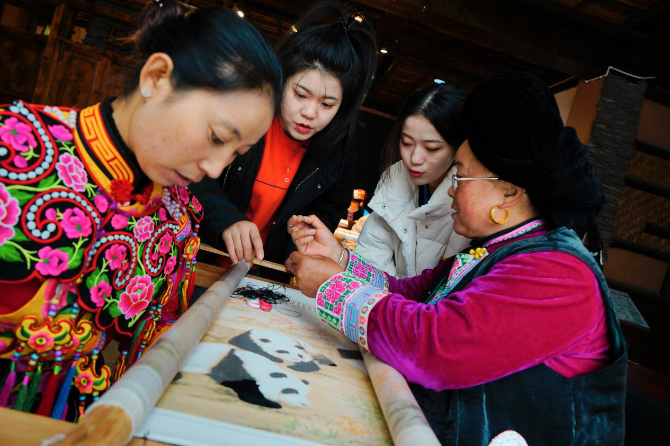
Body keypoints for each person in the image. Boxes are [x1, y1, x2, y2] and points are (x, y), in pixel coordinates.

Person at [285, 71, 625, 445]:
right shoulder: (496, 250)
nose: (451, 191)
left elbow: (436, 348)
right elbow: (407, 292)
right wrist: (339, 260)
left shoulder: (557, 271)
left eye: (460, 176)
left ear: (509, 192)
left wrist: (333, 286)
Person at [0, 0, 281, 418]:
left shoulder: (178, 215)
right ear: (157, 77)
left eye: (235, 154)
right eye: (216, 137)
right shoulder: (16, 148)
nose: (214, 168)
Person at [191, 1, 378, 274]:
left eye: (327, 104)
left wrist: (296, 250)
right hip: (200, 257)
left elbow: (327, 212)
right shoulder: (244, 114)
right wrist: (227, 219)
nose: (310, 113)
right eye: (300, 94)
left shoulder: (339, 152)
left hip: (265, 272)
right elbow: (196, 176)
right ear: (281, 81)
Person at [356, 83, 471, 278]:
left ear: (459, 147)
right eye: (407, 143)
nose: (415, 159)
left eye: (431, 148)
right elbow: (371, 256)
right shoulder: (394, 177)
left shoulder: (471, 194)